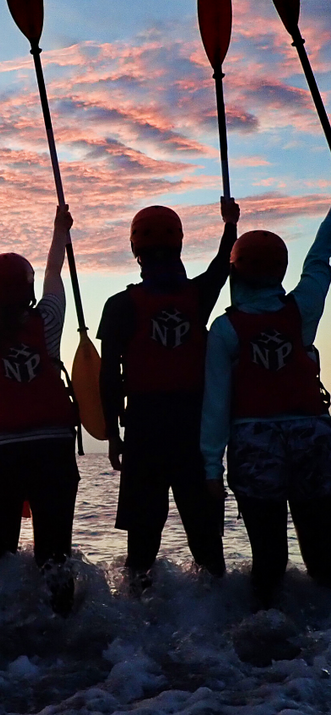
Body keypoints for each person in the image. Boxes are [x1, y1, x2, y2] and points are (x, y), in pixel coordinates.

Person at [98, 199, 238, 591]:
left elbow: (109, 377)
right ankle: (220, 613)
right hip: (194, 428)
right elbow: (223, 267)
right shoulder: (198, 297)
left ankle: (138, 617)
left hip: (144, 428)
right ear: (178, 244)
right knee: (206, 539)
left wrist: (112, 435)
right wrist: (230, 225)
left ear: (135, 250)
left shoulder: (120, 305)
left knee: (142, 543)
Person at [201, 211, 331, 609]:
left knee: (269, 556)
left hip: (255, 444)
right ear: (281, 269)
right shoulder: (303, 309)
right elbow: (319, 261)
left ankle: (266, 630)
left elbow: (216, 404)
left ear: (235, 273)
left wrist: (211, 468)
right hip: (313, 436)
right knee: (324, 552)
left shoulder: (225, 330)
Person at [0, 206, 78, 614]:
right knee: (55, 553)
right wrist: (59, 231)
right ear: (26, 291)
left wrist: (2, 404)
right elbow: (53, 276)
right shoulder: (49, 321)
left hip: (0, 456)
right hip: (54, 452)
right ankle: (62, 625)